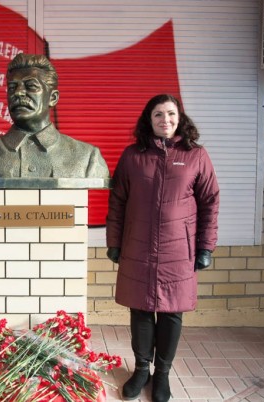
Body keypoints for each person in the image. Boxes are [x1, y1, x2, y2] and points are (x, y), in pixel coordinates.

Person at [106, 94, 219, 402]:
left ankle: (163, 374)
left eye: (170, 114)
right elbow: (118, 201)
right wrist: (114, 241)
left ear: (179, 118)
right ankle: (142, 369)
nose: (165, 120)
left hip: (179, 249)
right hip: (138, 246)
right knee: (140, 308)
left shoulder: (196, 155)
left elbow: (209, 202)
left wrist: (205, 246)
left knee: (171, 312)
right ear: (149, 119)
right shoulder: (133, 155)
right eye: (158, 114)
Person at [0, 53, 109, 179]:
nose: (18, 93)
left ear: (53, 98)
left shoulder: (87, 157)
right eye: (12, 87)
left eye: (31, 86)